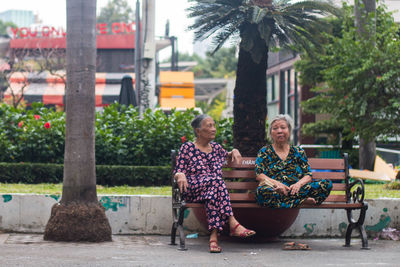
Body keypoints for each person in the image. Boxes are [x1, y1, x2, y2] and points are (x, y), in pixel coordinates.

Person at [174, 114, 256, 253]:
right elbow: (178, 170)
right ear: (198, 131)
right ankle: (232, 222)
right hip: (193, 189)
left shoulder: (217, 148)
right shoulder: (187, 147)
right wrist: (179, 174)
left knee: (212, 194)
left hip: (212, 190)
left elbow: (228, 154)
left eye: (214, 125)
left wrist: (234, 150)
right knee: (216, 181)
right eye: (209, 126)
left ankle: (213, 238)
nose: (213, 129)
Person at [255, 114, 332, 208]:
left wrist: (298, 185)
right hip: (275, 189)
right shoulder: (264, 151)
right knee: (262, 192)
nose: (279, 131)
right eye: (275, 128)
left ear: (289, 130)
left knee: (326, 184)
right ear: (271, 133)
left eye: (283, 127)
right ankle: (300, 202)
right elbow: (259, 175)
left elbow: (308, 175)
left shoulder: (298, 151)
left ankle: (289, 200)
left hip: (296, 190)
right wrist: (277, 184)